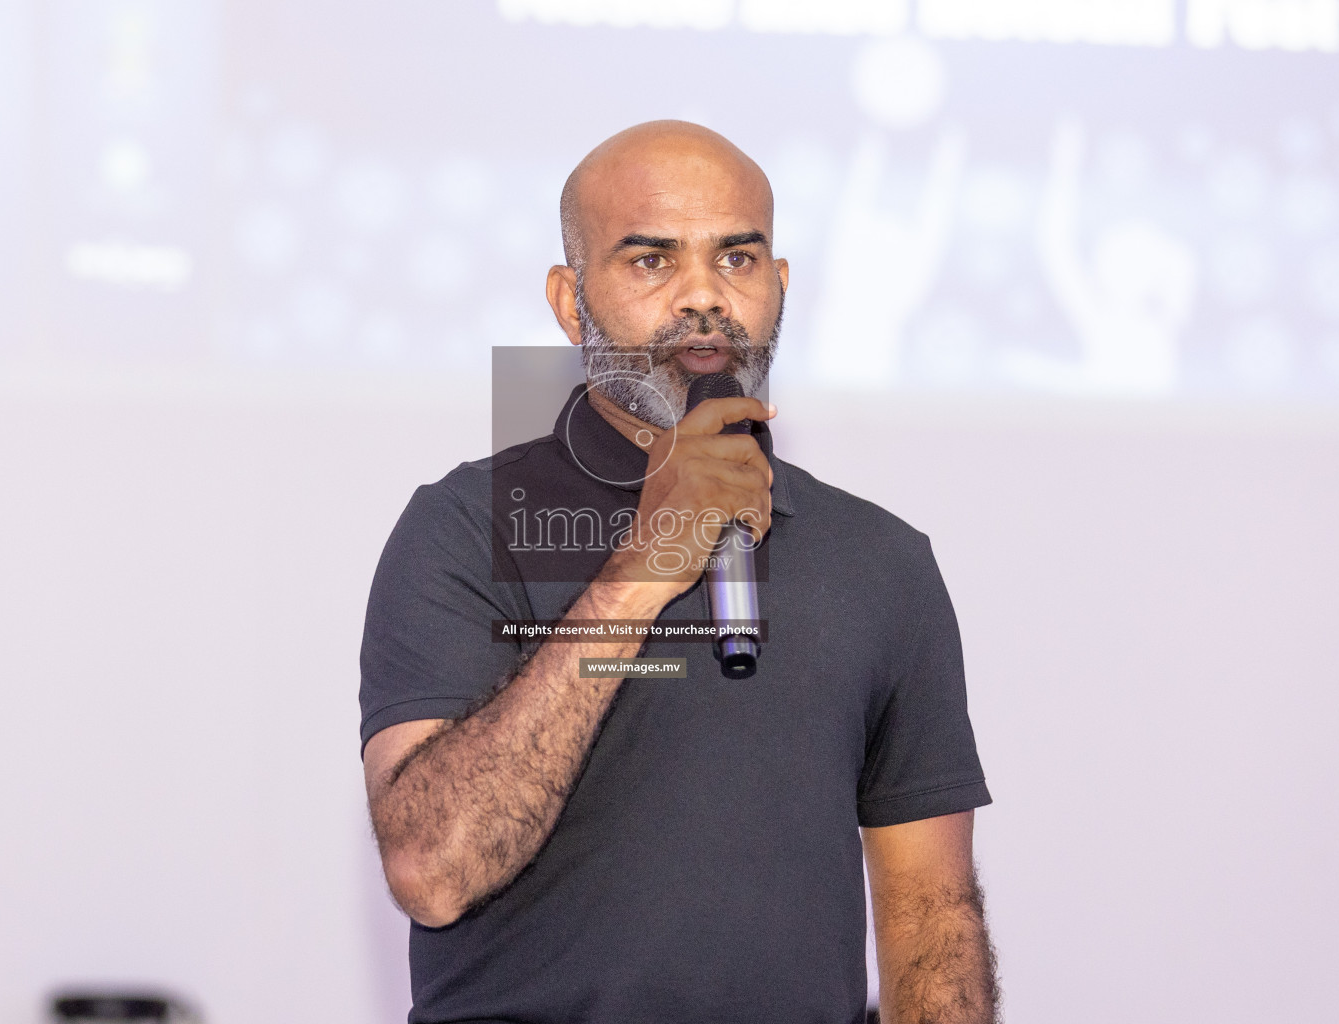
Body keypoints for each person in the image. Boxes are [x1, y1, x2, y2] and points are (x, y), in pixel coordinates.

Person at [359, 121, 999, 1024]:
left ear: (779, 288)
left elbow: (932, 925)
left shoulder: (882, 562)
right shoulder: (465, 527)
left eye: (736, 260)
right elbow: (435, 868)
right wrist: (644, 567)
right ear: (570, 303)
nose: (704, 297)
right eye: (652, 261)